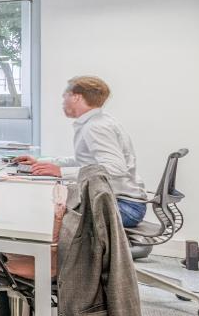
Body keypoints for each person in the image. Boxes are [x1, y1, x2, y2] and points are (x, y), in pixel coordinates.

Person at [15, 76, 148, 228]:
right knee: (48, 207)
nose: (63, 102)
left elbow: (116, 168)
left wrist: (61, 172)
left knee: (43, 213)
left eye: (65, 96)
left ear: (76, 97)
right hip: (120, 202)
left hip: (123, 207)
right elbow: (87, 161)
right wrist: (42, 162)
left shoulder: (96, 126)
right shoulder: (98, 121)